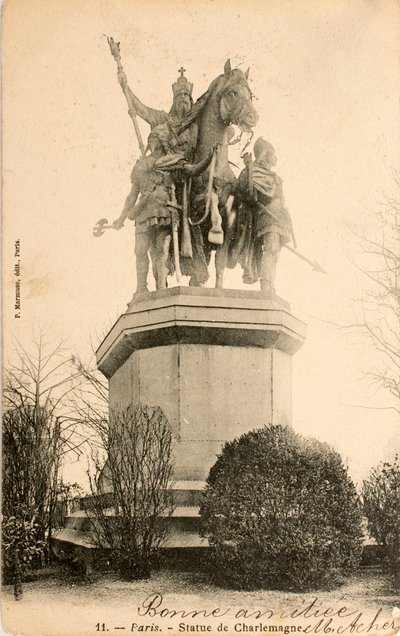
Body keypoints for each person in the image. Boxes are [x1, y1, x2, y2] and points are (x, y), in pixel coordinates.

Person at [113, 124, 214, 298]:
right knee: (140, 250)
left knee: (162, 250)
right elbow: (132, 195)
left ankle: (160, 287)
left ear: (163, 141)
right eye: (150, 137)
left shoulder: (174, 161)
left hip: (165, 212)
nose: (152, 140)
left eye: (156, 137)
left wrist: (210, 158)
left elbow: (193, 170)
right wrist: (121, 218)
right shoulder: (141, 165)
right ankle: (141, 289)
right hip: (143, 213)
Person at [231, 138, 294, 293]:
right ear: (265, 155)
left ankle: (270, 283)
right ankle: (265, 284)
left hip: (280, 217)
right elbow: (242, 191)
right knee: (271, 248)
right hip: (266, 215)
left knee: (275, 252)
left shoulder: (276, 178)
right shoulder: (252, 170)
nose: (276, 158)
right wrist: (248, 169)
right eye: (273, 154)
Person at [117, 66, 197, 161]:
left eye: (186, 95)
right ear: (174, 102)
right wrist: (125, 86)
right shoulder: (164, 119)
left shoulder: (198, 122)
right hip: (168, 167)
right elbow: (143, 110)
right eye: (179, 96)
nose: (183, 98)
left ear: (190, 100)